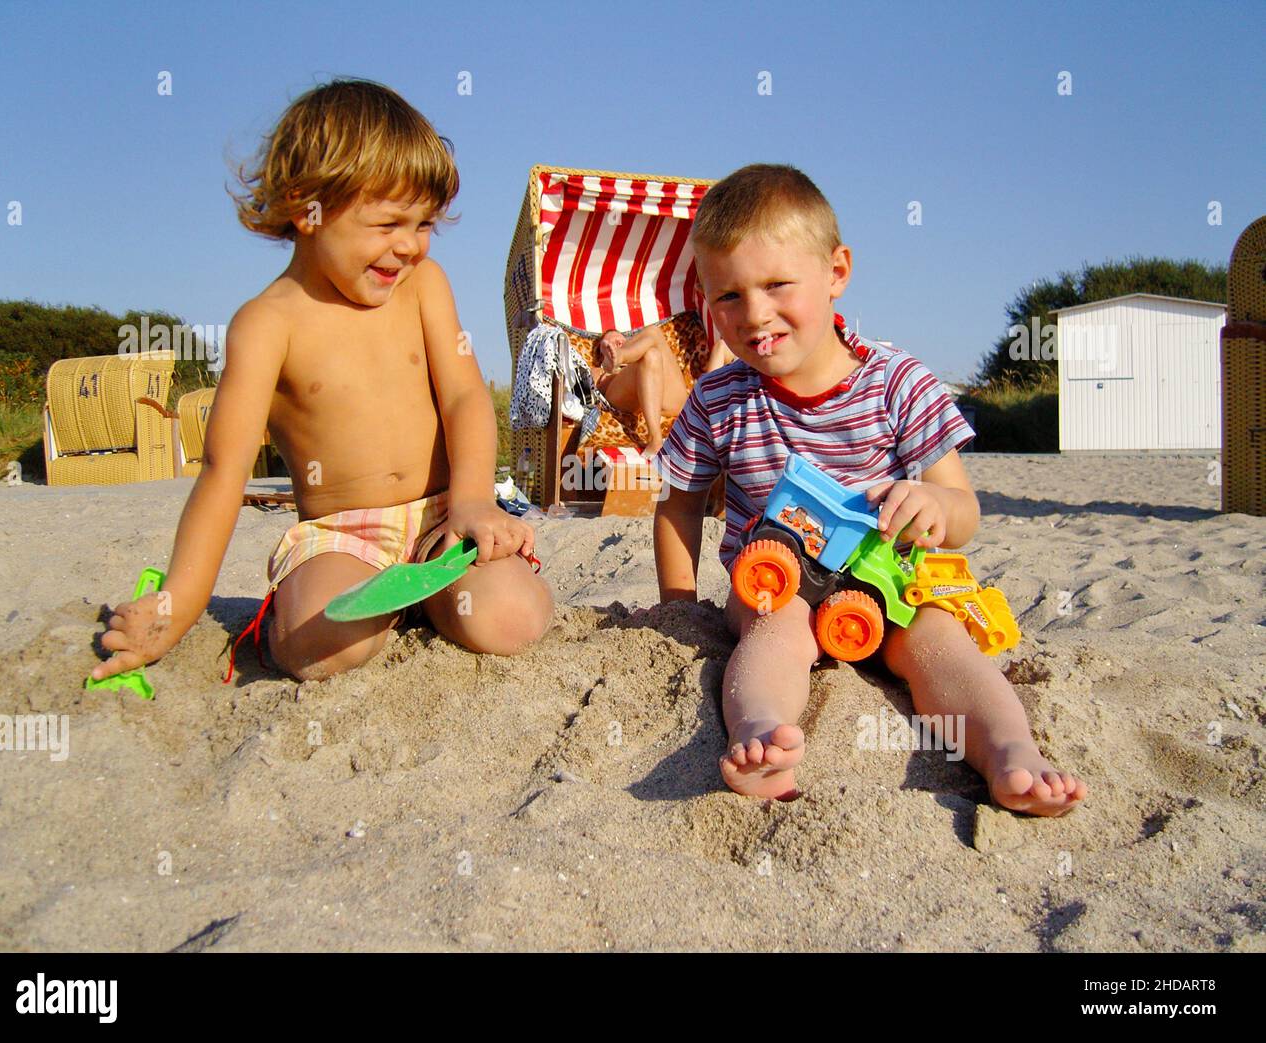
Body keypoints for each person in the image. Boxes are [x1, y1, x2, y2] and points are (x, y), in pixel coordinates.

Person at [653, 164, 1086, 815]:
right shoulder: (720, 398)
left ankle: (1010, 752)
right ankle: (760, 735)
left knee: (941, 642)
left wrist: (935, 505)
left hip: (888, 577)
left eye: (777, 285)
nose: (755, 314)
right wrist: (680, 604)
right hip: (779, 579)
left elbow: (964, 509)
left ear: (836, 271)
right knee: (775, 630)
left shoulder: (896, 382)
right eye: (729, 297)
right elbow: (679, 504)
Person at [91, 79, 553, 685]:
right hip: (343, 537)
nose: (410, 246)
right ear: (307, 205)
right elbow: (223, 471)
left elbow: (466, 395)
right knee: (315, 648)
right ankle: (372, 603)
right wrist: (177, 604)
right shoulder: (267, 325)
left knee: (512, 622)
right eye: (390, 223)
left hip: (445, 514)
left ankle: (435, 595)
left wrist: (472, 499)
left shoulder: (423, 287)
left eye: (423, 224)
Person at [590, 322, 735, 457]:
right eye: (613, 344)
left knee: (653, 338)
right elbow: (587, 391)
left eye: (621, 341)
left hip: (674, 403)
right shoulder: (599, 371)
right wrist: (606, 372)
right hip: (624, 400)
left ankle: (622, 357)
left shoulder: (646, 352)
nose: (619, 342)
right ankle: (655, 439)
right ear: (601, 356)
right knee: (649, 355)